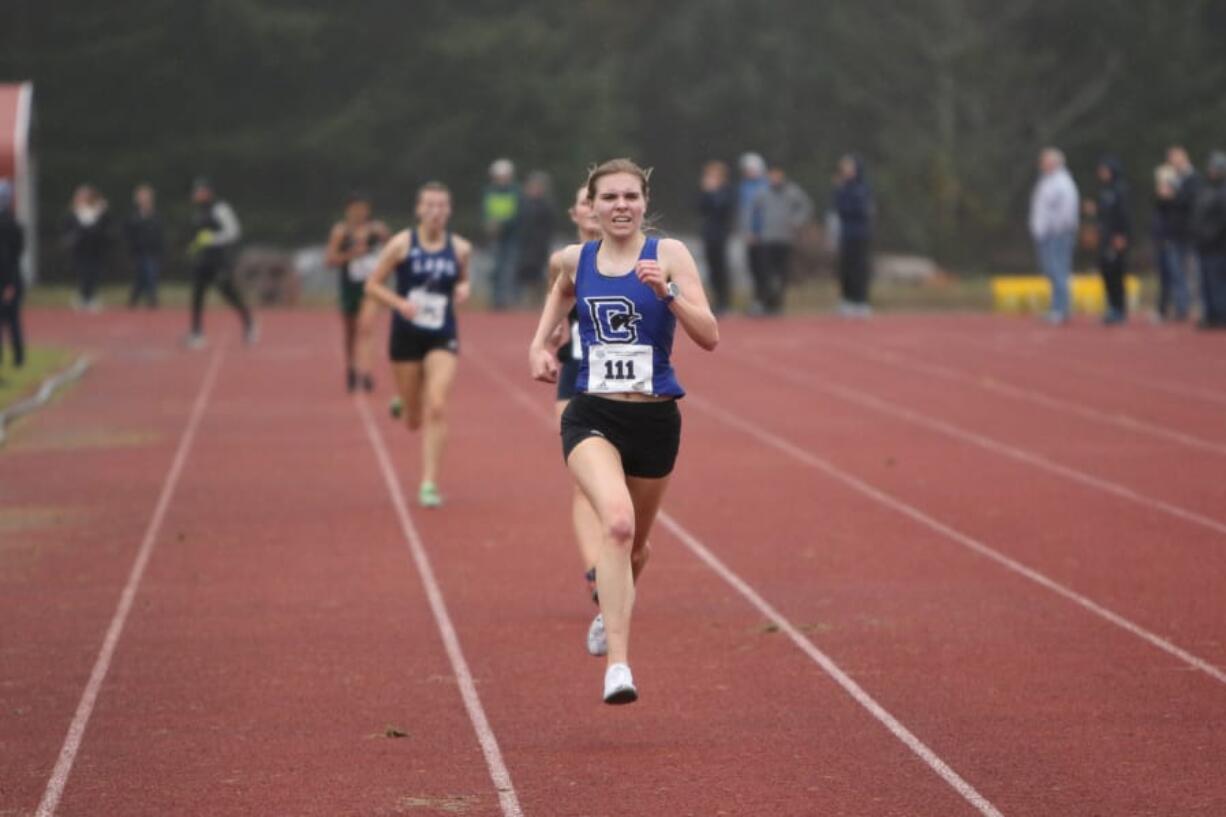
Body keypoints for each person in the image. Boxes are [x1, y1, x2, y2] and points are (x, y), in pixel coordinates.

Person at [528, 159, 719, 705]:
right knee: (615, 524)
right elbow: (560, 286)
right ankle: (618, 665)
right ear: (592, 205)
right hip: (592, 414)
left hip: (656, 419)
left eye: (629, 197)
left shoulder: (670, 255)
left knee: (635, 546)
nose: (619, 206)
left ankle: (610, 602)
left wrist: (670, 294)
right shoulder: (577, 256)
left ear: (644, 201)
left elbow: (710, 335)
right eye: (608, 197)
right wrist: (540, 341)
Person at [365, 182, 472, 508]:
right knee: (413, 419)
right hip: (406, 333)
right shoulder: (401, 244)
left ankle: (429, 483)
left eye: (442, 206)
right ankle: (405, 402)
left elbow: (463, 278)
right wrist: (398, 303)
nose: (436, 212)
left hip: (442, 332)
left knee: (437, 404)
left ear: (449, 210)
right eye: (430, 205)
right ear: (419, 209)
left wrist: (465, 288)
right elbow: (372, 285)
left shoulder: (460, 248)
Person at [545, 184, 605, 608]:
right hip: (576, 374)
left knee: (629, 484)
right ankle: (595, 572)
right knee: (583, 482)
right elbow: (555, 303)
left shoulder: (632, 258)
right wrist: (553, 329)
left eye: (595, 200)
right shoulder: (563, 261)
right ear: (574, 212)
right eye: (583, 201)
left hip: (624, 382)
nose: (591, 208)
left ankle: (620, 556)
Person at [325, 191, 390, 392]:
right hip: (349, 287)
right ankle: (351, 367)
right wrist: (352, 254)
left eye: (363, 209)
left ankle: (366, 372)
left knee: (366, 327)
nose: (359, 213)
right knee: (351, 332)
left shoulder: (377, 230)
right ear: (348, 210)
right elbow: (330, 260)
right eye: (355, 209)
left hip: (371, 287)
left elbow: (393, 252)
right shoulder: (341, 232)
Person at [185, 178, 256, 348]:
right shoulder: (198, 212)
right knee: (197, 295)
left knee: (228, 293)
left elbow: (234, 232)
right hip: (203, 260)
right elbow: (200, 237)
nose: (196, 194)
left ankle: (249, 324)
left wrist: (214, 238)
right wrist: (194, 247)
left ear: (208, 192)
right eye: (195, 191)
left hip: (220, 260)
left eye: (199, 191)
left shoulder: (221, 208)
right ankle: (197, 333)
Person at [750, 164, 814, 315]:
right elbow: (752, 212)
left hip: (785, 239)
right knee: (766, 273)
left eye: (777, 175)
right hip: (766, 239)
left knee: (782, 273)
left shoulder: (792, 191)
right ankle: (766, 303)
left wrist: (797, 221)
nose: (775, 178)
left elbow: (806, 206)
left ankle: (778, 304)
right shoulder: (762, 192)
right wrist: (753, 231)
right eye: (772, 175)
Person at [1029, 148, 1080, 324]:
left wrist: (1056, 228)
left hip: (1057, 234)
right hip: (1046, 234)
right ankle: (1056, 307)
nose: (1042, 164)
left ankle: (1061, 309)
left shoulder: (1062, 182)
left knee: (1059, 270)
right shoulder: (1047, 181)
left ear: (1054, 162)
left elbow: (1067, 210)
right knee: (1051, 271)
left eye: (1045, 161)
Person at [833, 154, 875, 317]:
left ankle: (861, 301)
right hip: (846, 233)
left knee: (860, 268)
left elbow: (862, 211)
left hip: (861, 234)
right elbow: (838, 208)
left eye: (849, 167)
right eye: (844, 167)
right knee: (846, 268)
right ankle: (847, 300)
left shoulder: (863, 188)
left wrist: (848, 206)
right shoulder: (842, 187)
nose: (845, 170)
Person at [1167, 146, 1204, 321]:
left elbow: (1191, 203)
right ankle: (1182, 307)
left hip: (1190, 233)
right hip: (1176, 233)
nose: (1172, 162)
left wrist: (1174, 195)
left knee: (1193, 272)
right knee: (1176, 272)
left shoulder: (1193, 179)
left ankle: (1196, 307)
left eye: (1175, 158)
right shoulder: (1175, 180)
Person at [1093, 157, 1132, 325]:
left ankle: (1120, 309)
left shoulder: (1120, 189)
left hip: (1116, 238)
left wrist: (1122, 236)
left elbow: (1125, 215)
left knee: (1117, 274)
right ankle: (1111, 307)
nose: (1101, 173)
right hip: (1105, 238)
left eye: (1105, 170)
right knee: (1107, 273)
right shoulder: (1104, 190)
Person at [62, 184, 112, 312]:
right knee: (83, 274)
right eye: (80, 196)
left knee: (94, 274)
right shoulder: (73, 213)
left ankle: (90, 298)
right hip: (80, 250)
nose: (83, 198)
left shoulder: (96, 211)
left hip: (95, 250)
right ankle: (83, 298)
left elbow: (101, 229)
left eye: (86, 196)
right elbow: (70, 230)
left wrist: (100, 212)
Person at [1191, 151, 1226, 330]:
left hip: (1218, 246)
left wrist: (1210, 235)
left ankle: (1221, 315)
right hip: (1203, 245)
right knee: (1205, 282)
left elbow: (1221, 220)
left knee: (1217, 281)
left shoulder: (1222, 191)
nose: (1211, 171)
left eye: (1215, 168)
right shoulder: (1206, 189)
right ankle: (1211, 314)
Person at [697, 160, 735, 313]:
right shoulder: (705, 191)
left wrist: (713, 193)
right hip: (708, 234)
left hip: (721, 234)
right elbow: (699, 208)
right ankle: (715, 300)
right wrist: (706, 193)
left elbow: (723, 209)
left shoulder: (726, 191)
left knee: (721, 268)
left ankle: (724, 301)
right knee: (711, 268)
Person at [1151, 164, 1188, 321]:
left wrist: (1170, 198)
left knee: (1177, 276)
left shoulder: (1179, 199)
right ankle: (1163, 309)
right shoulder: (1160, 202)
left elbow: (1179, 219)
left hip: (1174, 241)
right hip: (1162, 241)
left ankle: (1181, 309)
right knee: (1164, 278)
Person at [483, 158, 521, 310]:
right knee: (495, 269)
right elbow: (485, 211)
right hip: (495, 237)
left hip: (511, 237)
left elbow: (519, 214)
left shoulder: (515, 192)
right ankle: (496, 300)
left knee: (509, 268)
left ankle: (508, 299)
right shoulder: (489, 192)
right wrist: (489, 224)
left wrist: (502, 224)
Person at [515, 171, 556, 307]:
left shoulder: (546, 205)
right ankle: (524, 300)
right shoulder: (522, 204)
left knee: (538, 273)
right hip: (524, 244)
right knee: (523, 272)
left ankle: (538, 300)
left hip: (539, 245)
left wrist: (543, 242)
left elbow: (549, 226)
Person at [737, 152, 769, 314]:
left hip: (763, 237)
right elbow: (744, 213)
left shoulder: (765, 186)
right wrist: (746, 232)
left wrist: (759, 232)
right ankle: (757, 302)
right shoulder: (744, 187)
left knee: (764, 270)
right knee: (753, 270)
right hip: (749, 236)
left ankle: (765, 302)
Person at [124, 184, 164, 309]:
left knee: (150, 273)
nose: (144, 199)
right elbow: (128, 234)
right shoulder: (133, 216)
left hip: (152, 252)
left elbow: (160, 235)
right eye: (141, 196)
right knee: (140, 277)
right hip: (138, 251)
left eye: (146, 196)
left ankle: (151, 299)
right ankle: (135, 299)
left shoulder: (156, 216)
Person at [0, 179, 24, 370]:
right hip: (11, 278)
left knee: (11, 320)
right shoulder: (14, 223)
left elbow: (10, 257)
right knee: (13, 320)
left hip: (8, 279)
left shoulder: (9, 224)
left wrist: (9, 284)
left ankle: (17, 358)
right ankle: (18, 358)